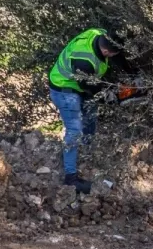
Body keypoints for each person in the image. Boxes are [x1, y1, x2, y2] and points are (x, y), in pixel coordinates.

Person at [48, 28, 121, 193]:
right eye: (112, 54)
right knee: (74, 131)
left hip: (80, 85)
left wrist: (133, 75)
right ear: (105, 51)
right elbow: (90, 88)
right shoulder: (84, 61)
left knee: (91, 115)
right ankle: (70, 178)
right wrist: (111, 98)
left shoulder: (101, 33)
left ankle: (87, 152)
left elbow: (119, 55)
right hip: (64, 88)